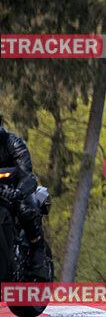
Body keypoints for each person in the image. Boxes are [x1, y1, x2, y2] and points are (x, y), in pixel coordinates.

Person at [0, 113, 48, 279]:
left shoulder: (13, 143)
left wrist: (17, 193)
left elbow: (26, 174)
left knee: (26, 209)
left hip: (14, 190)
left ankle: (37, 252)